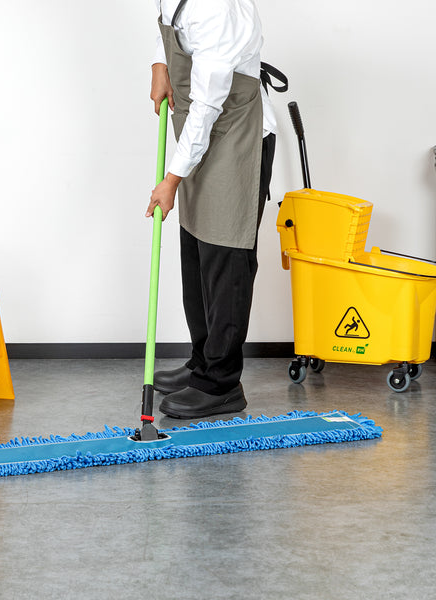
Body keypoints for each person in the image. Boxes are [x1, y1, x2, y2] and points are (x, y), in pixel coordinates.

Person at [147, 0, 277, 419]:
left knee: (225, 255)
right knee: (196, 248)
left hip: (236, 134)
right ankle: (202, 362)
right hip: (200, 136)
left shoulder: (217, 10)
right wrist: (160, 65)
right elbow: (165, 18)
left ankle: (221, 383)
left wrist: (172, 178)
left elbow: (207, 106)